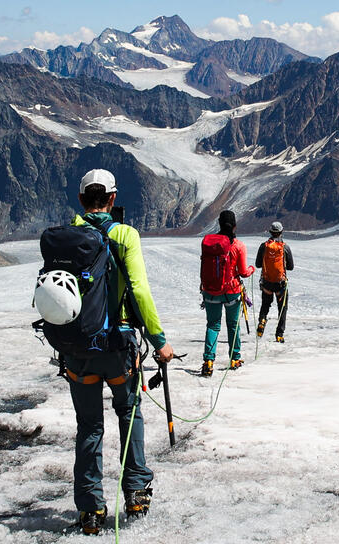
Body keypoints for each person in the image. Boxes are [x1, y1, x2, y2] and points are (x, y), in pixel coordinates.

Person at [64, 169, 177, 534]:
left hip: (78, 350)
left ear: (81, 200)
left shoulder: (66, 237)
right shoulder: (125, 234)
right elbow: (140, 292)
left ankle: (90, 508)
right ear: (112, 199)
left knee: (89, 426)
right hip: (118, 347)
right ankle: (136, 492)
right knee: (129, 416)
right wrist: (160, 342)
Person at [198, 210, 253, 376]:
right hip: (232, 292)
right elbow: (243, 272)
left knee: (213, 325)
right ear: (235, 226)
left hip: (210, 291)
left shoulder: (208, 243)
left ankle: (208, 361)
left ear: (219, 224)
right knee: (233, 324)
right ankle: (235, 358)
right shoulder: (238, 245)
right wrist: (251, 270)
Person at [254, 221, 294, 342]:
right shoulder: (285, 247)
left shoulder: (264, 246)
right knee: (282, 308)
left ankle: (262, 321)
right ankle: (279, 334)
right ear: (281, 232)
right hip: (280, 284)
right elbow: (291, 266)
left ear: (270, 232)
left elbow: (257, 264)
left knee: (265, 305)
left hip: (266, 283)